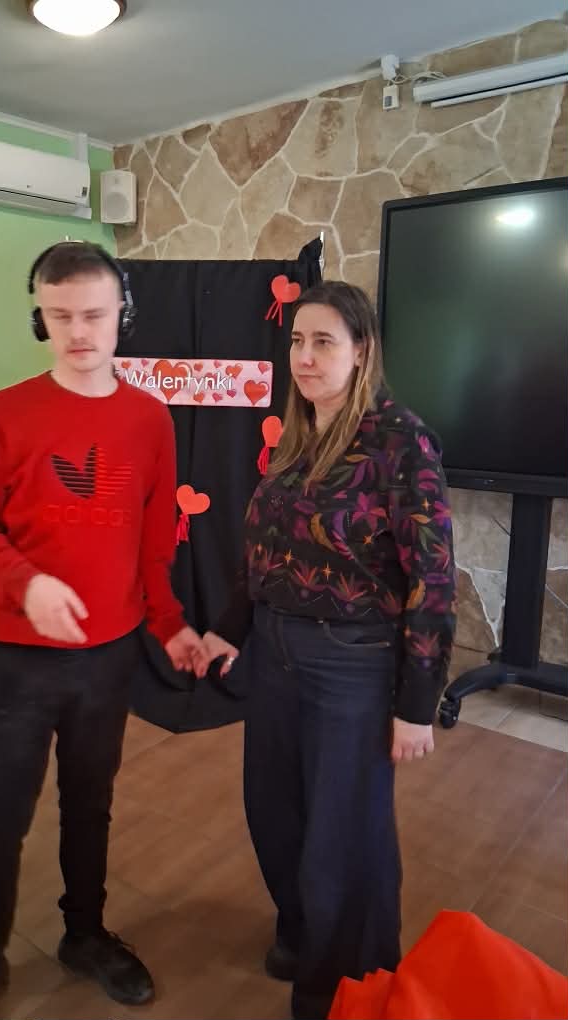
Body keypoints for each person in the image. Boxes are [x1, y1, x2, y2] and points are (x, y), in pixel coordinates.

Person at [0, 241, 208, 1020]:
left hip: (106, 658)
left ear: (123, 314)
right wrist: (27, 584)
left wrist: (168, 625)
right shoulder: (3, 413)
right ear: (40, 319)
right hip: (11, 661)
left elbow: (152, 542)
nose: (78, 332)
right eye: (59, 316)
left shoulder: (149, 419)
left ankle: (84, 934)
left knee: (89, 803)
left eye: (93, 314)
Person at [202, 281, 457, 1020]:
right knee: (274, 811)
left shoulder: (401, 440)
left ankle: (342, 986)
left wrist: (417, 703)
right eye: (296, 341)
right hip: (275, 654)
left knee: (342, 836)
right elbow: (264, 551)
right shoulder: (297, 435)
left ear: (361, 350)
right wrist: (228, 628)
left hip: (352, 662)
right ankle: (302, 931)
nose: (305, 358)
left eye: (324, 342)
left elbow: (433, 578)